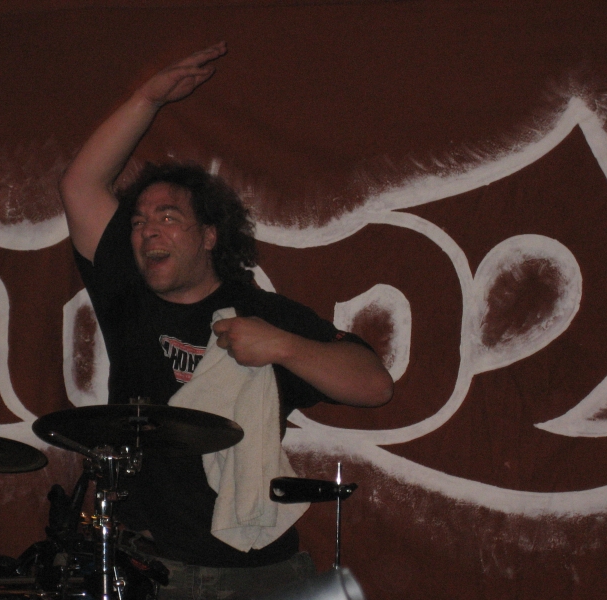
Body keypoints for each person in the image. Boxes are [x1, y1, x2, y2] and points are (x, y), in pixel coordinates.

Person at [59, 43, 393, 600]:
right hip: (152, 568)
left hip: (261, 571)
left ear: (211, 235)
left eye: (168, 217)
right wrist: (147, 99)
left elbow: (375, 386)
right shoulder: (128, 297)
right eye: (139, 221)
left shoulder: (263, 312)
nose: (147, 230)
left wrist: (283, 346)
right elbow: (80, 186)